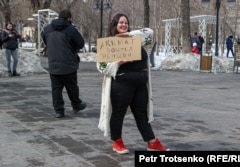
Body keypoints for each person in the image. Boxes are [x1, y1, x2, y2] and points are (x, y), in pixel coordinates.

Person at [97, 13, 169, 154]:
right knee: (119, 113)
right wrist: (120, 61)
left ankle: (152, 142)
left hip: (140, 84)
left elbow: (149, 33)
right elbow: (102, 67)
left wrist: (128, 36)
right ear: (115, 25)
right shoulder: (109, 43)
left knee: (142, 114)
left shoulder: (137, 40)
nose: (124, 25)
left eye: (126, 23)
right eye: (120, 23)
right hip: (122, 84)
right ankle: (117, 141)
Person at [41, 9, 86, 118]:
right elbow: (80, 43)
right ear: (69, 18)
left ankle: (59, 110)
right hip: (68, 63)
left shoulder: (47, 29)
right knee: (72, 86)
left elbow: (44, 38)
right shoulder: (71, 29)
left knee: (56, 88)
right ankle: (76, 104)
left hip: (53, 64)